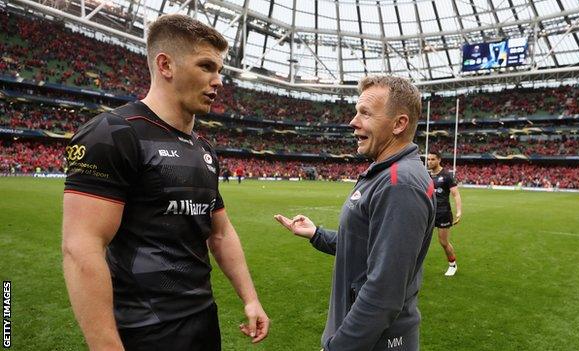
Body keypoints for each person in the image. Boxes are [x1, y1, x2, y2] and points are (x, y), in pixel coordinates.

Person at [61, 14, 269, 351]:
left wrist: (250, 299)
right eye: (206, 67)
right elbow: (81, 247)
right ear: (165, 65)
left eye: (220, 71)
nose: (218, 81)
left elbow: (220, 232)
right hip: (143, 329)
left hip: (203, 320)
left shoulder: (204, 149)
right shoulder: (113, 133)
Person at [275, 76, 435, 351]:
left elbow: (383, 293)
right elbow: (367, 246)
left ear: (399, 124)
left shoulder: (400, 183)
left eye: (365, 113)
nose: (353, 121)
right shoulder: (384, 173)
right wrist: (316, 235)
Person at [426, 152, 462, 276]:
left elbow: (456, 194)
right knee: (421, 240)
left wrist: (459, 211)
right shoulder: (426, 175)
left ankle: (452, 265)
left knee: (443, 242)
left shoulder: (446, 175)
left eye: (432, 159)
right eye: (428, 159)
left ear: (439, 160)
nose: (429, 161)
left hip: (443, 213)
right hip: (429, 212)